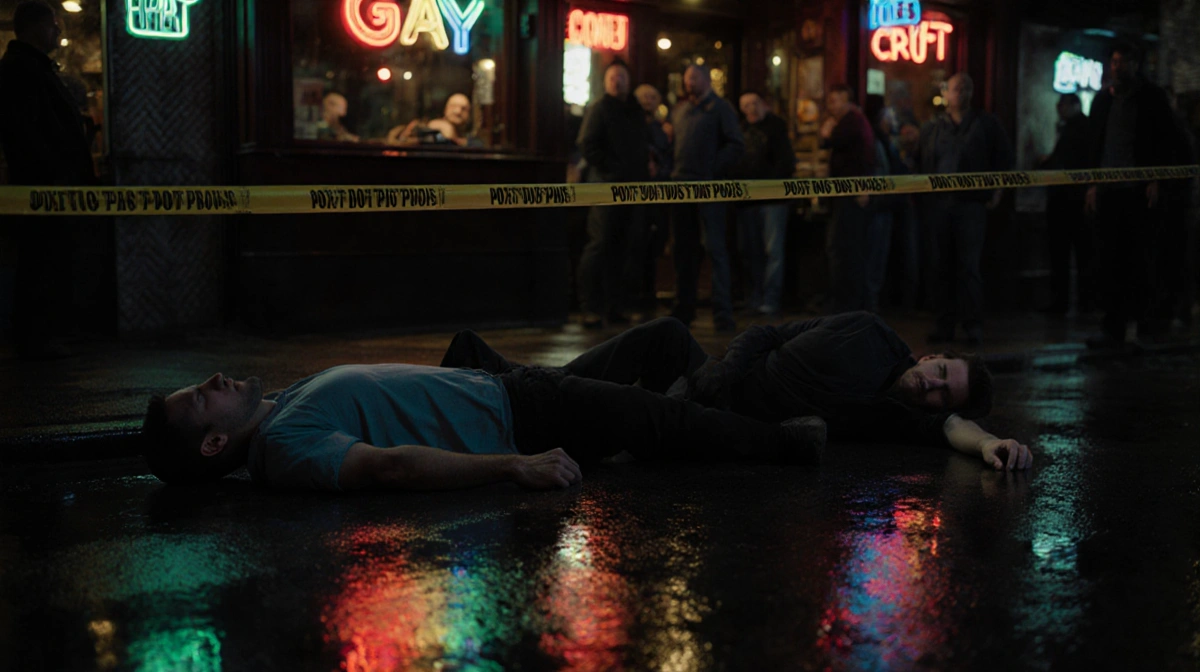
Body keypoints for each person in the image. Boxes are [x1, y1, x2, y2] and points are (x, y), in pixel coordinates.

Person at [441, 313, 1033, 471]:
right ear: (932, 357)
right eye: (940, 372)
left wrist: (990, 443)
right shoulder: (868, 329)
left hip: (723, 420)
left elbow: (954, 428)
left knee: (631, 413)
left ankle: (525, 395)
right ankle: (532, 384)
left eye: (943, 394)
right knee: (666, 334)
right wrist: (726, 365)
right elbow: (769, 333)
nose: (932, 387)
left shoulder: (893, 414)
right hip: (722, 375)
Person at [141, 356, 829, 492]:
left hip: (507, 383)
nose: (213, 381)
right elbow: (389, 466)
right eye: (202, 399)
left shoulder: (281, 408)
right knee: (662, 415)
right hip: (522, 417)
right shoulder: (283, 448)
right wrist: (513, 466)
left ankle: (676, 419)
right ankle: (783, 440)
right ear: (214, 443)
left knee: (664, 340)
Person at [0, 1, 96, 359]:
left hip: (52, 186)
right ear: (35, 27)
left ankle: (44, 334)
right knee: (41, 260)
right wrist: (55, 172)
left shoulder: (33, 67)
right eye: (53, 24)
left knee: (49, 259)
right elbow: (26, 132)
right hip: (45, 187)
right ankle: (36, 338)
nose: (58, 30)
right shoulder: (21, 69)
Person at [1084, 41, 1187, 347]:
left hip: (1137, 192)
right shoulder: (1103, 101)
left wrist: (1156, 178)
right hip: (1110, 190)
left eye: (1124, 62)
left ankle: (1143, 323)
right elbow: (1095, 143)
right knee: (1109, 259)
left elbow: (1166, 140)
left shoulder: (1151, 98)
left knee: (1140, 258)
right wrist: (1092, 183)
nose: (1118, 68)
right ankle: (1113, 326)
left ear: (1135, 65)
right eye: (1115, 62)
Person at [918, 73, 1013, 346]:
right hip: (939, 205)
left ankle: (973, 325)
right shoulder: (934, 127)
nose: (961, 94)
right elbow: (922, 161)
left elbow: (1004, 158)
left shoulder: (986, 124)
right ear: (946, 93)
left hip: (971, 204)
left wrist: (997, 190)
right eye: (956, 89)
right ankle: (944, 324)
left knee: (969, 266)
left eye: (966, 89)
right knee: (940, 265)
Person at [670, 64, 745, 332]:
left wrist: (711, 170)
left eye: (694, 78)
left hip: (709, 189)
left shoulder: (721, 109)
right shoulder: (681, 110)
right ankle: (683, 309)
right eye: (686, 78)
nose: (689, 82)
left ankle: (722, 312)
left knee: (715, 250)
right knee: (684, 251)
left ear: (706, 80)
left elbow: (736, 145)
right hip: (681, 189)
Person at [575, 61, 650, 328]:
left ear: (629, 81)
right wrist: (612, 169)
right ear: (606, 83)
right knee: (600, 244)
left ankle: (615, 306)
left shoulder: (635, 110)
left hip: (632, 189)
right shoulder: (600, 108)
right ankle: (590, 307)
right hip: (605, 188)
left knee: (624, 247)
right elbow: (586, 144)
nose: (617, 82)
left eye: (621, 77)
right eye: (612, 78)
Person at [820, 84, 884, 314]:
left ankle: (845, 304)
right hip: (849, 193)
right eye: (830, 101)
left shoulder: (851, 121)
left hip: (850, 194)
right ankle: (850, 303)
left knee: (843, 249)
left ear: (847, 100)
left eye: (835, 101)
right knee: (847, 248)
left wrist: (826, 132)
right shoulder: (855, 120)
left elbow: (830, 140)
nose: (831, 106)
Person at [734, 92, 795, 317]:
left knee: (772, 252)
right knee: (751, 251)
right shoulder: (740, 129)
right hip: (748, 200)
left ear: (763, 105)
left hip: (773, 200)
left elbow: (786, 161)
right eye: (745, 105)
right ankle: (755, 297)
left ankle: (770, 300)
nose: (751, 108)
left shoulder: (776, 127)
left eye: (754, 103)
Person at [1037, 93, 1094, 315]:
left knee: (1067, 253)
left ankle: (1067, 302)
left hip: (1070, 201)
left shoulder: (1078, 129)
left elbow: (1065, 161)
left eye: (1062, 105)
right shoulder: (1075, 127)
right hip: (1070, 200)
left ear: (1074, 105)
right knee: (1075, 254)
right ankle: (1080, 302)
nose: (1058, 109)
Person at [634, 83, 673, 317]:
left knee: (655, 244)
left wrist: (660, 169)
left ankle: (649, 295)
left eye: (652, 96)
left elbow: (667, 155)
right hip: (635, 192)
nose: (648, 101)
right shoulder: (632, 124)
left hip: (658, 191)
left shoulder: (661, 128)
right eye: (644, 97)